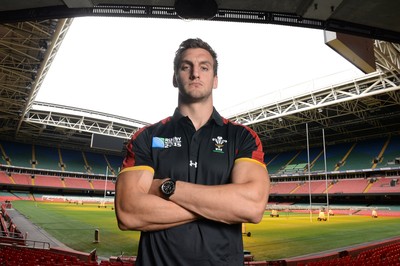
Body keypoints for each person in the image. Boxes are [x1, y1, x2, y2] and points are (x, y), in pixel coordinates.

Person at [115, 38, 270, 266]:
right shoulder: (147, 137)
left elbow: (252, 207)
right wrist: (221, 206)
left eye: (204, 67)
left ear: (215, 80)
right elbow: (128, 212)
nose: (195, 73)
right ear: (175, 77)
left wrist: (166, 187)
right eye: (186, 66)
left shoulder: (243, 137)